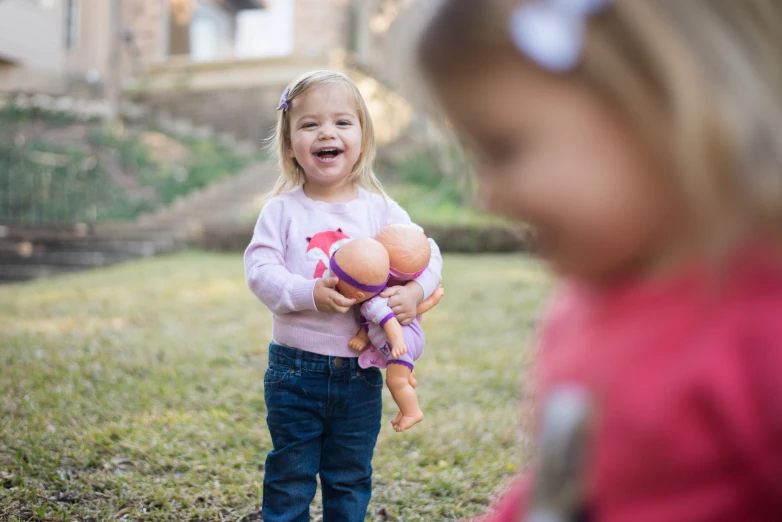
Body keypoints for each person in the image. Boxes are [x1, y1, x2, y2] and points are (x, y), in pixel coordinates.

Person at [416, 0, 782, 520]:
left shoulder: (761, 333)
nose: (487, 196)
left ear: (662, 107)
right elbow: (570, 487)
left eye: (503, 149)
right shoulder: (583, 307)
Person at [244, 70, 443, 521]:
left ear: (362, 139)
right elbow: (259, 270)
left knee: (349, 474)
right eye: (310, 124)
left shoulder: (379, 209)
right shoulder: (282, 210)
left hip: (361, 373)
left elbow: (428, 254)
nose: (326, 132)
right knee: (290, 473)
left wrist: (414, 290)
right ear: (291, 144)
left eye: (341, 122)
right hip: (295, 371)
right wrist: (309, 291)